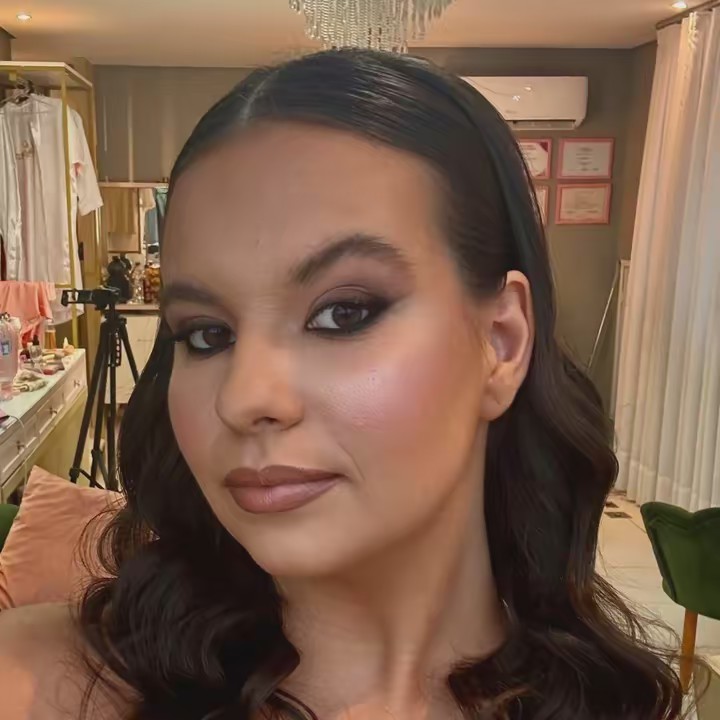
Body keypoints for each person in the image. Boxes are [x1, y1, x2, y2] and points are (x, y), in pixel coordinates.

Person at [0, 49, 683, 720]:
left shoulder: (611, 704)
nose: (245, 398)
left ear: (501, 344)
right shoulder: (36, 686)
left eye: (342, 314)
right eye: (207, 334)